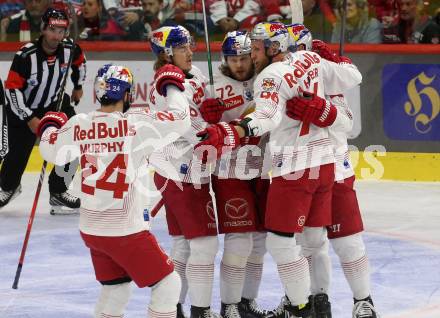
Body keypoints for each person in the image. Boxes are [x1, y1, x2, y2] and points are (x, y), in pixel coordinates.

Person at [195, 21, 362, 318]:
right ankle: (310, 303)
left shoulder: (270, 76)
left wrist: (231, 131)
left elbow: (267, 118)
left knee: (280, 242)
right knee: (308, 240)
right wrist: (335, 59)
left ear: (273, 48)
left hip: (295, 167)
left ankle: (299, 308)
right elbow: (352, 77)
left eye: (256, 48)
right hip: (323, 163)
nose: (251, 55)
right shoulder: (309, 58)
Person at [37, 63, 190, 318]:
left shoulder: (79, 124)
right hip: (125, 231)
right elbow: (181, 118)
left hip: (92, 230)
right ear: (127, 94)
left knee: (116, 290)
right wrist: (172, 86)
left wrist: (49, 126)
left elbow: (49, 149)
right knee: (168, 284)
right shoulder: (136, 125)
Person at [287, 24, 380, 318]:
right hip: (303, 171)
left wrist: (325, 112)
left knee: (348, 241)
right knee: (311, 244)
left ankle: (363, 301)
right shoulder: (282, 78)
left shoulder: (327, 72)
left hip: (336, 171)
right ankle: (318, 300)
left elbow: (348, 123)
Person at [148, 25, 223, 318]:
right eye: (182, 48)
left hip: (181, 171)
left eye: (190, 46)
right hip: (182, 173)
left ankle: (172, 307)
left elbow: (201, 113)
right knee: (205, 244)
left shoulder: (194, 76)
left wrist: (212, 110)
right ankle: (201, 311)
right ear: (167, 53)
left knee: (183, 244)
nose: (190, 52)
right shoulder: (167, 83)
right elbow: (192, 130)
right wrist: (219, 129)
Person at [203, 30, 270, 318]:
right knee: (239, 238)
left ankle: (246, 302)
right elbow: (197, 128)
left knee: (260, 241)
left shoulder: (266, 77)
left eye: (245, 57)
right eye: (234, 59)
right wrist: (206, 115)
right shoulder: (213, 86)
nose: (240, 64)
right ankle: (229, 305)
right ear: (224, 59)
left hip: (264, 168)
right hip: (230, 168)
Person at [0, 7, 86, 214]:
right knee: (17, 153)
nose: (57, 36)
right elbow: (12, 89)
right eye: (52, 30)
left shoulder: (70, 48)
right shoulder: (25, 55)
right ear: (43, 29)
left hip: (56, 103)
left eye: (61, 31)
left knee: (76, 139)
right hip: (24, 107)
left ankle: (59, 191)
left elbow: (80, 63)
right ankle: (9, 187)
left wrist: (78, 86)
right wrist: (29, 118)